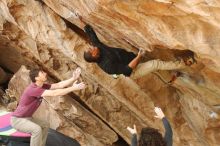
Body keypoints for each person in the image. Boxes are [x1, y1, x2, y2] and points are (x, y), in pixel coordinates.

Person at [78, 15, 194, 79]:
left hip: (131, 58)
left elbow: (91, 34)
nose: (92, 47)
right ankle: (186, 63)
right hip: (134, 71)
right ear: (94, 55)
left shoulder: (97, 47)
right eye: (91, 49)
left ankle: (172, 75)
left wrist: (80, 20)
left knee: (155, 66)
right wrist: (139, 55)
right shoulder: (107, 66)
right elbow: (127, 70)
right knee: (155, 64)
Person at [10, 67, 86, 146]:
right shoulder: (33, 89)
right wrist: (73, 88)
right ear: (36, 78)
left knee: (45, 125)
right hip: (18, 120)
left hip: (28, 118)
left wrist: (73, 78)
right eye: (42, 73)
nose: (45, 73)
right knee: (36, 130)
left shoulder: (41, 86)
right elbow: (54, 93)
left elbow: (58, 85)